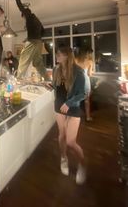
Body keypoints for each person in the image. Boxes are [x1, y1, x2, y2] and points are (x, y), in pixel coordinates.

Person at [52, 45, 86, 185]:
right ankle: (64, 158)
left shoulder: (78, 72)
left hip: (72, 108)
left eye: (59, 54)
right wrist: (50, 86)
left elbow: (82, 94)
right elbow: (56, 86)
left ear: (67, 56)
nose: (57, 57)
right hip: (59, 107)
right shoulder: (56, 69)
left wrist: (69, 103)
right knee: (61, 135)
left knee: (71, 141)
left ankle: (82, 165)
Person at [14, 0, 48, 80]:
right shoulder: (36, 19)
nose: (24, 20)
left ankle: (19, 79)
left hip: (32, 41)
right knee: (37, 62)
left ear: (25, 14)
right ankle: (47, 79)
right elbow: (43, 31)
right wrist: (36, 37)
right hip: (39, 42)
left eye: (23, 18)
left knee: (23, 58)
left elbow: (21, 7)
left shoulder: (29, 16)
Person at [75, 47, 94, 121]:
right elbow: (89, 74)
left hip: (77, 81)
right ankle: (88, 117)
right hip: (85, 81)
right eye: (89, 53)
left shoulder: (75, 60)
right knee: (87, 101)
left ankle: (76, 116)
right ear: (87, 53)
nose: (90, 55)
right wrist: (92, 72)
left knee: (76, 100)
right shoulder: (90, 61)